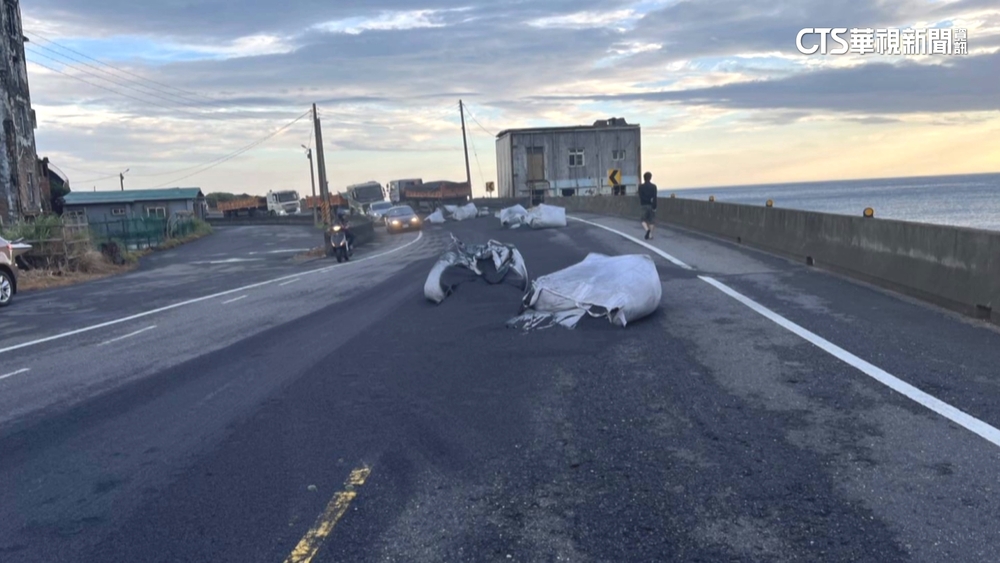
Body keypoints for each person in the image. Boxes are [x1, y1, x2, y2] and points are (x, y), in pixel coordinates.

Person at [638, 171, 658, 240]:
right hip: (651, 205)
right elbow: (655, 197)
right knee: (651, 220)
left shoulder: (641, 187)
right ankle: (650, 235)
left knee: (643, 219)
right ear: (650, 178)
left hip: (643, 204)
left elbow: (640, 196)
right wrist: (654, 206)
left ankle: (647, 230)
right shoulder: (653, 186)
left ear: (644, 178)